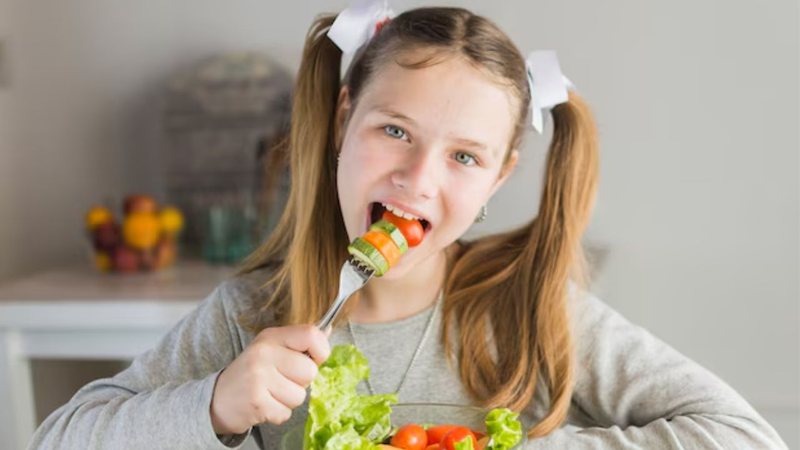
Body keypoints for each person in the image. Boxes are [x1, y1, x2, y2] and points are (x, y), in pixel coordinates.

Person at [29, 2, 787, 449]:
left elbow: (746, 435)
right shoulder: (250, 317)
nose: (418, 178)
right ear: (341, 122)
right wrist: (217, 402)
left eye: (463, 155)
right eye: (394, 132)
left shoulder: (527, 311)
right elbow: (60, 437)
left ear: (497, 178)